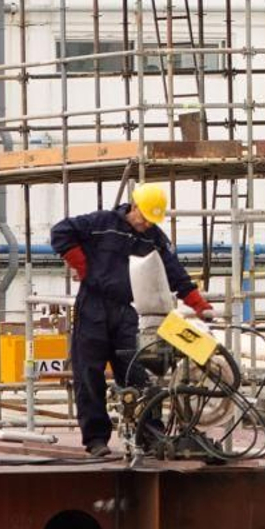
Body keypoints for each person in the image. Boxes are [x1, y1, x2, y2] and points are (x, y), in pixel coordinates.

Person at [50, 183, 214, 456]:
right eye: (145, 217)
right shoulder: (102, 223)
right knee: (89, 373)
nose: (147, 224)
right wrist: (82, 265)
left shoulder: (153, 238)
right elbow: (60, 232)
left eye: (152, 220)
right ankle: (96, 440)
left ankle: (151, 434)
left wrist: (198, 304)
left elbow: (174, 272)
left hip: (126, 310)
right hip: (92, 305)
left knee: (136, 373)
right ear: (134, 207)